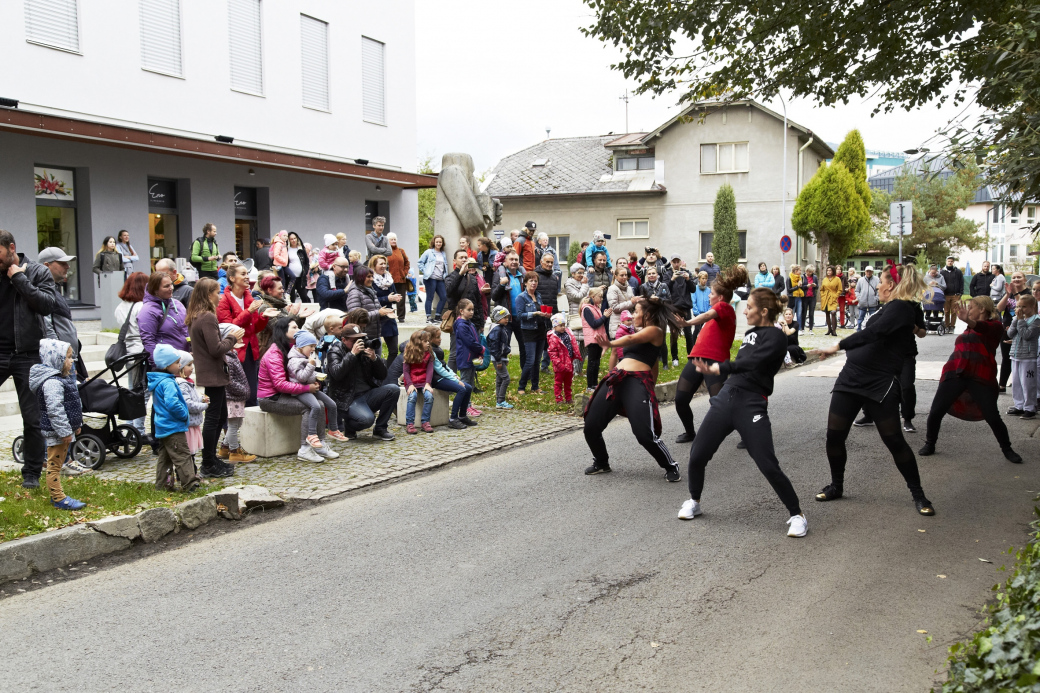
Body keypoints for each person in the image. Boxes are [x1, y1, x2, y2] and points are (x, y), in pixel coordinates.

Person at [678, 289, 807, 537]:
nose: (745, 311)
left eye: (749, 306)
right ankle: (694, 501)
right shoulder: (750, 334)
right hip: (727, 397)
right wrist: (724, 372)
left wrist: (721, 367)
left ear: (764, 311)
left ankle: (797, 515)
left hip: (752, 403)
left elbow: (753, 362)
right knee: (697, 454)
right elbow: (743, 365)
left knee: (767, 464)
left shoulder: (777, 337)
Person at [815, 263, 936, 516]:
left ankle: (919, 494)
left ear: (891, 285)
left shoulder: (902, 309)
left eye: (881, 281)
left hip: (879, 383)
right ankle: (836, 485)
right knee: (834, 436)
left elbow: (876, 333)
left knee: (894, 441)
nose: (878, 286)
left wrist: (838, 346)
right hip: (851, 378)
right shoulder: (889, 307)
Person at [584, 297, 683, 481]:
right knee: (591, 425)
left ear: (647, 314)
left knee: (644, 434)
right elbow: (647, 358)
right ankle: (601, 462)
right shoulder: (642, 332)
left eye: (636, 311)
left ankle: (670, 465)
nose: (633, 314)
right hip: (618, 378)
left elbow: (630, 340)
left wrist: (610, 343)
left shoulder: (655, 331)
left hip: (636, 382)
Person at [919, 297, 1022, 463]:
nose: (968, 310)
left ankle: (1007, 449)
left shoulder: (994, 326)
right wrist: (968, 321)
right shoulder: (968, 329)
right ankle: (930, 444)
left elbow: (982, 327)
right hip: (955, 372)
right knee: (936, 410)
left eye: (971, 307)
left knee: (992, 415)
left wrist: (968, 320)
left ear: (982, 309)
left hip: (980, 375)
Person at [673, 266, 747, 443]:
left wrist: (687, 323)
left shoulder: (724, 308)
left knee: (720, 404)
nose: (708, 295)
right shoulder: (718, 313)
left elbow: (706, 315)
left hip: (715, 361)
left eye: (711, 293)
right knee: (681, 399)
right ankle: (690, 433)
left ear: (720, 297)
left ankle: (747, 433)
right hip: (696, 358)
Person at [186, 276, 244, 478]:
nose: (220, 295)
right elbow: (215, 349)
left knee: (218, 416)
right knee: (213, 419)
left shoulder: (196, 315)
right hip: (213, 373)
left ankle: (211, 458)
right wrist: (232, 338)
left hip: (209, 372)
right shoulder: (207, 317)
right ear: (208, 295)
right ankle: (208, 462)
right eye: (217, 292)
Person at [257, 317, 333, 462]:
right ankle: (305, 449)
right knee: (308, 407)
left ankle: (320, 444)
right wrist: (306, 388)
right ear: (283, 332)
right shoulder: (274, 354)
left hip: (285, 394)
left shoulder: (291, 350)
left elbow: (298, 375)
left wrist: (314, 381)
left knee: (321, 404)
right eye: (294, 328)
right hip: (270, 398)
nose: (298, 330)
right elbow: (280, 384)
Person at [30, 338, 87, 509]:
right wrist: (64, 432)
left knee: (59, 463)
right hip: (57, 432)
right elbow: (55, 410)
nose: (72, 361)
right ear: (56, 360)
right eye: (68, 358)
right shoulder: (52, 383)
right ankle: (58, 498)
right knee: (54, 466)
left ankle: (57, 496)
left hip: (64, 431)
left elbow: (72, 405)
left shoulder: (62, 379)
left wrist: (76, 424)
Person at [325, 322, 398, 441]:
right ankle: (350, 426)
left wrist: (375, 359)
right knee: (367, 420)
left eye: (360, 338)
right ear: (344, 340)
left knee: (393, 389)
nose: (359, 343)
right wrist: (352, 354)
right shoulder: (335, 351)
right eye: (354, 340)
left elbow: (382, 375)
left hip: (367, 394)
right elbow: (337, 373)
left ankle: (380, 429)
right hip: (348, 399)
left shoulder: (365, 351)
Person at [218, 264, 274, 407]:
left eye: (247, 273)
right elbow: (229, 327)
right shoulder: (224, 300)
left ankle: (250, 421)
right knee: (235, 389)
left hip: (250, 348)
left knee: (251, 389)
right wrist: (248, 311)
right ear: (232, 278)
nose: (247, 277)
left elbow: (255, 328)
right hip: (233, 348)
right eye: (242, 274)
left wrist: (263, 317)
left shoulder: (249, 297)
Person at [148, 344, 200, 492]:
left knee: (165, 457)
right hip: (173, 425)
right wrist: (184, 414)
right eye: (177, 363)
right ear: (167, 365)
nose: (179, 365)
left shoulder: (159, 381)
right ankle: (190, 483)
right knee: (182, 455)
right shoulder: (168, 382)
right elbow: (172, 403)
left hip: (163, 426)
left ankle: (162, 484)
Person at [287, 329, 347, 445]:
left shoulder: (304, 357)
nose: (313, 349)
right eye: (311, 346)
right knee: (315, 406)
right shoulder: (294, 361)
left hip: (309, 388)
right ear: (301, 346)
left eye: (314, 346)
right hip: (300, 391)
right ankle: (311, 434)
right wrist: (311, 365)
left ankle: (333, 429)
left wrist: (316, 378)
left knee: (332, 404)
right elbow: (301, 377)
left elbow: (308, 376)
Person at [38, 247, 85, 379]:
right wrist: (62, 356)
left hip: (67, 358)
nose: (68, 266)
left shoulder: (53, 288)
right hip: (61, 361)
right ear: (46, 265)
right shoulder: (43, 290)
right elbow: (47, 328)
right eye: (62, 263)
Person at [114, 271, 149, 434]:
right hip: (140, 351)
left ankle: (129, 426)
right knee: (142, 391)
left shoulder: (120, 307)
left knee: (131, 390)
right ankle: (138, 429)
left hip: (127, 351)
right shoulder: (141, 306)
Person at [444, 250, 489, 369]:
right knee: (454, 353)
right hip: (458, 322)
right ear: (455, 261)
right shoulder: (450, 277)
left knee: (473, 351)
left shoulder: (473, 279)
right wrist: (460, 274)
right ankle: (452, 382)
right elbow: (449, 291)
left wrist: (481, 323)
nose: (464, 260)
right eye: (461, 258)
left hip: (473, 321)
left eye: (466, 257)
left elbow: (478, 302)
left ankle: (471, 383)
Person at [138, 271, 190, 369]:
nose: (171, 288)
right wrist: (158, 367)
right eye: (166, 286)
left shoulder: (177, 304)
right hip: (166, 367)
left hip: (182, 363)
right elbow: (148, 342)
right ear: (155, 290)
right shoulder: (148, 311)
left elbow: (185, 329)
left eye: (171, 284)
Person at [220, 326, 257, 463]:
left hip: (237, 397)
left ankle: (224, 447)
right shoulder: (228, 359)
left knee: (237, 422)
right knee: (234, 425)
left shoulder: (232, 355)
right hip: (233, 397)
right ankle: (234, 451)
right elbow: (229, 381)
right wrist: (243, 390)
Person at [255, 274, 312, 355]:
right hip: (270, 351)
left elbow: (289, 329)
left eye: (282, 288)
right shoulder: (265, 308)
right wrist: (292, 314)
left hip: (282, 348)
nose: (282, 291)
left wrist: (299, 317)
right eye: (280, 288)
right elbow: (279, 330)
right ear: (270, 290)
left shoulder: (280, 305)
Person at [491, 249, 528, 366]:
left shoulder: (522, 275)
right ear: (505, 262)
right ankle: (503, 374)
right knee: (503, 346)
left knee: (524, 347)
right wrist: (502, 285)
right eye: (511, 259)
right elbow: (494, 296)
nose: (514, 262)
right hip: (506, 320)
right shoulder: (499, 274)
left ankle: (525, 373)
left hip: (521, 318)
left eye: (516, 259)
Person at [995, 270, 1031, 392]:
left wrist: (1015, 293)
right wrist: (1007, 294)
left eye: (1019, 277)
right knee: (1006, 357)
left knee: (1021, 358)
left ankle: (1022, 386)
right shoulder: (1010, 293)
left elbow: (1023, 306)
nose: (1016, 279)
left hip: (1023, 328)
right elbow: (998, 309)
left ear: (1025, 280)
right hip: (1007, 328)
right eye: (1014, 277)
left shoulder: (1029, 293)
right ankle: (1002, 385)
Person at [346, 266, 392, 354]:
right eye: (368, 277)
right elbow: (355, 316)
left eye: (372, 276)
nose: (371, 279)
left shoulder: (370, 291)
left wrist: (386, 314)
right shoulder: (355, 293)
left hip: (374, 336)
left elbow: (378, 311)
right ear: (360, 277)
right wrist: (378, 313)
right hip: (362, 337)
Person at [1006, 294, 1039, 419]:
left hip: (1028, 356)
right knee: (1016, 382)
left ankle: (1030, 408)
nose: (1020, 309)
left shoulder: (1036, 320)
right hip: (1015, 355)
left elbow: (1027, 335)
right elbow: (1010, 334)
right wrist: (1016, 320)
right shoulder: (1018, 319)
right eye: (1018, 306)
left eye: (1024, 307)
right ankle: (1019, 405)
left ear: (1032, 307)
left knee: (1028, 383)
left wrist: (1019, 320)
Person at [515, 272, 546, 394]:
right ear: (525, 282)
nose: (533, 283)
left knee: (537, 360)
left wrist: (545, 315)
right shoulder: (521, 297)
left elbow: (541, 310)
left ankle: (535, 386)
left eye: (535, 281)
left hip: (540, 329)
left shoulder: (538, 296)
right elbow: (519, 316)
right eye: (531, 281)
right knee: (530, 360)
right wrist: (534, 314)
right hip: (528, 331)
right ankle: (521, 387)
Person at [367, 255, 402, 359]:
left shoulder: (389, 278)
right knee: (374, 351)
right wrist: (387, 299)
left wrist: (396, 297)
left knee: (394, 350)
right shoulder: (370, 280)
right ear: (374, 266)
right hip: (375, 317)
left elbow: (393, 293)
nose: (384, 266)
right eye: (380, 264)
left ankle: (389, 373)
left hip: (389, 316)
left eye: (385, 263)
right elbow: (370, 300)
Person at [663, 255, 694, 367]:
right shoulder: (667, 274)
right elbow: (664, 289)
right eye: (674, 262)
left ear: (681, 262)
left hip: (685, 307)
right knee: (674, 333)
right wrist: (672, 279)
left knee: (688, 332)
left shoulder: (687, 273)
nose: (676, 264)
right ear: (671, 262)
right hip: (673, 307)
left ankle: (691, 356)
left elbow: (693, 289)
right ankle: (674, 357)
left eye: (678, 262)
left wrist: (688, 279)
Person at [175, 354, 207, 458]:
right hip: (188, 425)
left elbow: (192, 399)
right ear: (180, 367)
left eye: (192, 364)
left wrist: (201, 399)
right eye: (189, 365)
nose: (192, 367)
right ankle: (188, 472)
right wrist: (204, 405)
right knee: (188, 453)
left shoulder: (188, 382)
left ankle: (191, 471)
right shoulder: (182, 384)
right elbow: (188, 404)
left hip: (193, 423)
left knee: (190, 453)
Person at [402, 331, 435, 434]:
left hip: (424, 381)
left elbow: (430, 370)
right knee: (412, 397)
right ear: (418, 342)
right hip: (411, 382)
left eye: (428, 341)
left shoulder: (429, 354)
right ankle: (410, 423)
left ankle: (425, 421)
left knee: (429, 396)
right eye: (425, 341)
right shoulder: (409, 352)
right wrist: (410, 384)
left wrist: (428, 383)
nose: (428, 343)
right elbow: (406, 371)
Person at [546, 313, 578, 404]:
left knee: (568, 382)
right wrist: (559, 364)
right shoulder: (553, 338)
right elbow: (552, 353)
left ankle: (568, 398)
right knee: (558, 382)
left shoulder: (567, 335)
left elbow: (573, 345)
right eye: (560, 326)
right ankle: (559, 398)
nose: (563, 327)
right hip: (559, 365)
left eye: (564, 325)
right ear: (555, 326)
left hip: (569, 362)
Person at [453, 299, 484, 390]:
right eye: (469, 310)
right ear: (461, 311)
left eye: (472, 310)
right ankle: (462, 403)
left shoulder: (470, 324)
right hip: (465, 358)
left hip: (471, 357)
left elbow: (476, 339)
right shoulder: (461, 326)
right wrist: (481, 349)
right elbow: (470, 342)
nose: (471, 312)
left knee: (470, 383)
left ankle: (467, 403)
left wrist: (479, 354)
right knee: (465, 383)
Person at [418, 235, 448, 322]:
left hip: (440, 279)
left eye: (440, 242)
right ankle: (428, 317)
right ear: (434, 243)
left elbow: (445, 265)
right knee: (430, 297)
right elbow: (420, 262)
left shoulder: (443, 253)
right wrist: (426, 271)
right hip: (430, 278)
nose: (438, 243)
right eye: (437, 242)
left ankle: (438, 315)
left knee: (444, 297)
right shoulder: (429, 252)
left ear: (442, 243)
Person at [487, 306, 513, 409]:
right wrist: (498, 360)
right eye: (504, 317)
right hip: (497, 358)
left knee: (499, 379)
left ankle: (499, 400)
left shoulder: (501, 328)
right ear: (498, 318)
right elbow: (495, 346)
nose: (507, 319)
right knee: (506, 378)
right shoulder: (496, 329)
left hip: (501, 358)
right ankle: (501, 400)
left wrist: (505, 357)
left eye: (507, 317)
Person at [385, 233, 410, 322]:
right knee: (388, 298)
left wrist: (405, 272)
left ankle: (401, 317)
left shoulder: (401, 251)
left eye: (395, 239)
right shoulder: (385, 251)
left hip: (401, 279)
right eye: (391, 239)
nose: (393, 241)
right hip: (389, 280)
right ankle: (388, 315)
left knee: (401, 299)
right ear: (387, 241)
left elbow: (407, 263)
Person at [606, 266, 635, 338]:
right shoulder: (612, 289)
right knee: (618, 349)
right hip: (617, 324)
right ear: (615, 276)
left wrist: (636, 301)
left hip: (629, 325)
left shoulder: (629, 288)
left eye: (626, 275)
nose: (624, 277)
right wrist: (631, 302)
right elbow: (614, 307)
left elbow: (632, 303)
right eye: (622, 275)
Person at [940, 256, 965, 330]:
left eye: (951, 261)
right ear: (946, 262)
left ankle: (952, 326)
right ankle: (947, 326)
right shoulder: (942, 272)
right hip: (946, 295)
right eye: (948, 261)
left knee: (954, 312)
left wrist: (960, 293)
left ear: (953, 262)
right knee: (946, 311)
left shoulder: (958, 271)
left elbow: (961, 282)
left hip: (955, 294)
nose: (950, 262)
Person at [285, 232, 310, 302]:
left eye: (295, 238)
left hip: (301, 277)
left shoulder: (301, 249)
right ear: (289, 240)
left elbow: (306, 262)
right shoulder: (287, 249)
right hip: (290, 278)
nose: (293, 240)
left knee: (304, 296)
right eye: (291, 239)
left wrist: (305, 271)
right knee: (292, 297)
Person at [820, 266, 843, 336]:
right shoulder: (825, 279)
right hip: (826, 298)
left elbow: (840, 289)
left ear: (833, 271)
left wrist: (836, 296)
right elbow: (822, 289)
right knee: (827, 313)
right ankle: (829, 329)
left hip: (833, 297)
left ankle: (834, 330)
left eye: (830, 270)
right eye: (828, 271)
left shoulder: (837, 279)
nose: (829, 272)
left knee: (833, 313)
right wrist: (823, 295)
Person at [786, 264, 805, 329]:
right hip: (792, 298)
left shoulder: (800, 278)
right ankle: (790, 327)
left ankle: (799, 328)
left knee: (799, 314)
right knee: (791, 313)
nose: (800, 272)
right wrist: (797, 286)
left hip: (799, 297)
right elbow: (789, 290)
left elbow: (802, 288)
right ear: (796, 271)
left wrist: (801, 286)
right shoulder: (789, 278)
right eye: (799, 270)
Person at [801, 265, 818, 332]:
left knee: (811, 313)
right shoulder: (802, 277)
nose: (809, 273)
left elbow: (817, 287)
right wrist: (806, 286)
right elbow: (801, 287)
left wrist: (815, 285)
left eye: (811, 272)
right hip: (805, 297)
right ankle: (802, 328)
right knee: (804, 312)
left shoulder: (815, 277)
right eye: (808, 271)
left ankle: (811, 328)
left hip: (812, 297)